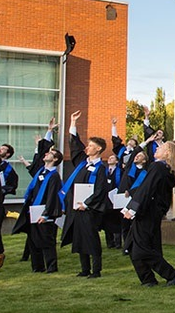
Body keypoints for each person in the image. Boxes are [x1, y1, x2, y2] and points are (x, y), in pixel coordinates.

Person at [123, 141, 175, 287]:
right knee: (133, 245)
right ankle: (147, 279)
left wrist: (132, 209)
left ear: (168, 153)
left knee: (141, 248)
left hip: (146, 211)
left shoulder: (158, 167)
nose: (157, 149)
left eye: (161, 148)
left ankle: (172, 275)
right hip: (153, 211)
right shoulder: (170, 171)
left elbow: (146, 188)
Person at [61, 110, 110, 278]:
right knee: (79, 238)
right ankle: (84, 269)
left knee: (91, 239)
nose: (86, 147)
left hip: (90, 209)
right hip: (77, 206)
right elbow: (74, 145)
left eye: (90, 146)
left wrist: (87, 204)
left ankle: (96, 270)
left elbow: (100, 190)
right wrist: (72, 123)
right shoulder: (83, 163)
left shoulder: (101, 168)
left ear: (98, 149)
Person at [12, 145, 64, 273]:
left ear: (55, 159)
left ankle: (51, 267)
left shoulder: (54, 176)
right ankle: (37, 267)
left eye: (50, 153)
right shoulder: (41, 171)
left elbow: (52, 196)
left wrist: (46, 214)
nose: (46, 154)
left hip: (45, 212)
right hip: (33, 210)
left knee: (47, 240)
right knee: (33, 240)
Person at [0, 142, 19, 269]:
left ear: (7, 154)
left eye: (3, 149)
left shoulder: (8, 169)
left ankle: (0, 254)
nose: (0, 149)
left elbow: (12, 185)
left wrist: (4, 189)